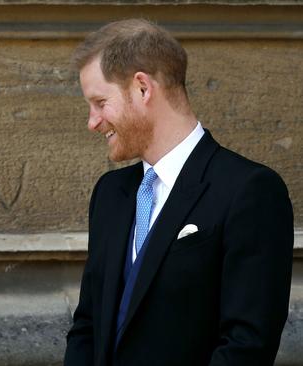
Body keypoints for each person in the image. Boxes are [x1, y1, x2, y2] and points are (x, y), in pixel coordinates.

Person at [64, 19, 293, 366]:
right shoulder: (110, 193)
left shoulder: (250, 191)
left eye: (100, 102)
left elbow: (247, 345)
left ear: (143, 88)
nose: (92, 122)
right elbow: (88, 325)